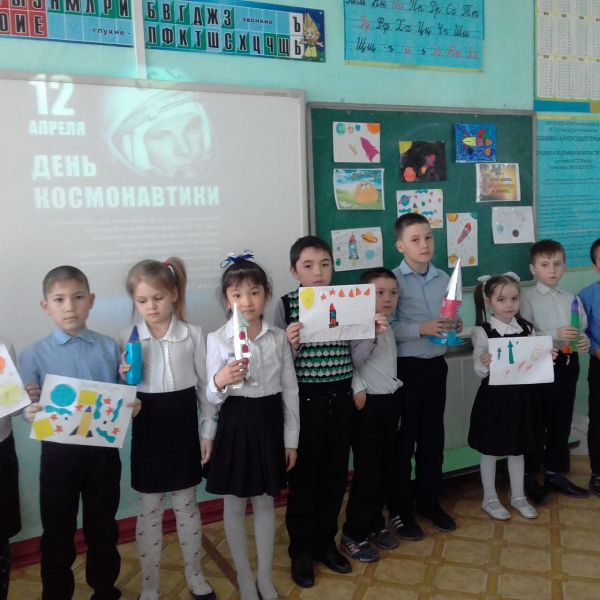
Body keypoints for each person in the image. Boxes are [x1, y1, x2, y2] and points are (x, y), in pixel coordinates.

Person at [19, 266, 122, 600]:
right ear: (45, 305)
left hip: (102, 456)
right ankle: (57, 594)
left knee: (103, 528)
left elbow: (121, 395)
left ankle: (104, 589)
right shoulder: (33, 354)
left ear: (91, 300)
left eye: (78, 298)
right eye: (59, 300)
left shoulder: (110, 348)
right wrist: (28, 410)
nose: (70, 307)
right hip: (58, 458)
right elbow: (26, 406)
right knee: (57, 532)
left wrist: (131, 402)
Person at [120, 258, 217, 600]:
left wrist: (207, 432)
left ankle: (195, 574)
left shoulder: (193, 334)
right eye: (142, 300)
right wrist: (124, 385)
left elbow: (206, 390)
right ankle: (150, 584)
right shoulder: (128, 338)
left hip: (182, 432)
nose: (151, 307)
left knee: (187, 506)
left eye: (158, 298)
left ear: (174, 294)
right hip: (148, 433)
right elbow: (123, 398)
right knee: (148, 510)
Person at [205, 255, 299, 600]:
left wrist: (291, 440)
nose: (246, 301)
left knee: (264, 503)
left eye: (254, 292)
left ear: (266, 294)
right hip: (235, 424)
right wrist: (220, 380)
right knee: (234, 504)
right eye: (237, 294)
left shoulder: (277, 338)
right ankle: (244, 577)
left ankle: (264, 577)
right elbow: (209, 397)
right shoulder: (218, 338)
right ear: (227, 299)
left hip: (269, 424)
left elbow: (290, 389)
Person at [274, 236, 354, 588]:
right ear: (295, 271)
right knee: (304, 481)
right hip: (306, 401)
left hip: (342, 397)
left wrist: (371, 334)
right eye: (308, 266)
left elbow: (357, 356)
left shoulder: (348, 300)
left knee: (335, 477)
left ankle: (325, 543)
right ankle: (301, 551)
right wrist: (289, 346)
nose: (318, 272)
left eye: (324, 264)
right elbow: (277, 365)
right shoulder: (286, 304)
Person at [388, 213, 460, 541]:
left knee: (433, 440)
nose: (424, 244)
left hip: (435, 368)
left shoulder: (443, 277)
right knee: (404, 444)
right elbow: (384, 328)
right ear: (400, 246)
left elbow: (447, 317)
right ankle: (401, 510)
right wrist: (421, 328)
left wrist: (453, 325)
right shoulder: (392, 282)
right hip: (405, 371)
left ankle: (429, 502)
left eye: (428, 237)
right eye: (415, 239)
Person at [520, 240, 590, 502]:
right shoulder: (526, 299)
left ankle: (554, 472)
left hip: (568, 364)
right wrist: (554, 334)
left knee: (562, 420)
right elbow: (525, 335)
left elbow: (580, 329)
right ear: (533, 268)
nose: (552, 270)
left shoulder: (571, 298)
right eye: (545, 264)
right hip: (541, 364)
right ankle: (530, 476)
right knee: (538, 421)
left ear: (564, 267)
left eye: (557, 264)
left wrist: (583, 341)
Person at [469, 273, 542, 521]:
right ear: (489, 301)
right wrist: (484, 362)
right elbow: (479, 368)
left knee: (518, 448)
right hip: (494, 399)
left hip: (521, 397)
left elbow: (533, 362)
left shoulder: (527, 328)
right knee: (490, 449)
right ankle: (489, 498)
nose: (509, 304)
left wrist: (545, 357)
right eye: (502, 299)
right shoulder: (482, 331)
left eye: (514, 299)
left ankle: (518, 496)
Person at [340, 268, 402, 562]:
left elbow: (389, 367)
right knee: (368, 473)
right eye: (379, 293)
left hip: (388, 401)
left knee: (384, 469)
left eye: (393, 293)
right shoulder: (359, 325)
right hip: (368, 406)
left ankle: (374, 524)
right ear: (363, 296)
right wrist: (357, 387)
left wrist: (396, 405)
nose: (387, 298)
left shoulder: (388, 325)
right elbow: (353, 360)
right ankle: (353, 533)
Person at [0, 339, 22, 600]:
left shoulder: (3, 347)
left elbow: (15, 409)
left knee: (1, 533)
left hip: (2, 450)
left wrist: (25, 394)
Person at [579, 237, 600, 495]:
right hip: (599, 365)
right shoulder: (586, 295)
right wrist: (595, 349)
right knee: (598, 419)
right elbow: (580, 330)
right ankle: (598, 473)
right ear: (595, 266)